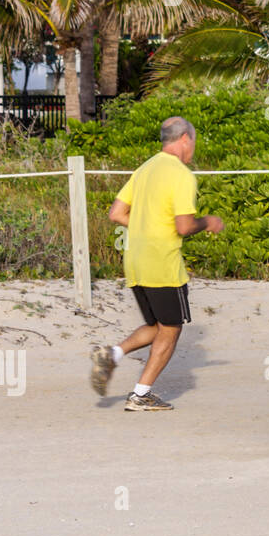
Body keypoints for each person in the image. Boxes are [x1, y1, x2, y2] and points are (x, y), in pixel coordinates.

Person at [90, 116, 223, 410]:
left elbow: (116, 213)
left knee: (157, 325)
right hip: (162, 263)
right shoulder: (181, 174)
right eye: (194, 142)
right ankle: (140, 395)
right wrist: (209, 221)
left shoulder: (145, 168)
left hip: (136, 261)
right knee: (172, 328)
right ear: (185, 138)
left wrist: (146, 228)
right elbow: (184, 226)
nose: (194, 149)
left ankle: (111, 354)